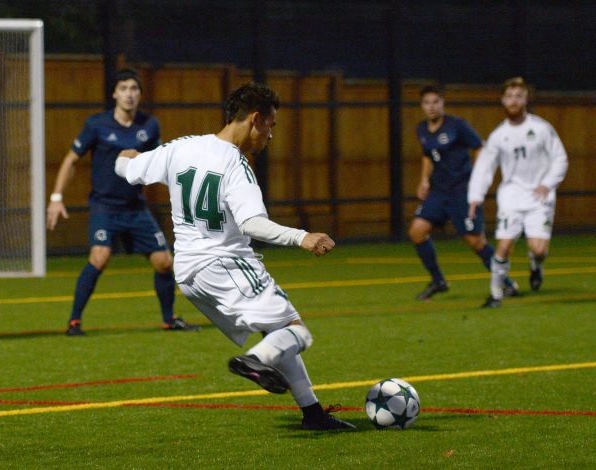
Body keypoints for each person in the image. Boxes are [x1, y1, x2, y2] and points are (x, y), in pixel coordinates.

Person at [115, 82, 355, 430]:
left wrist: (122, 158)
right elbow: (253, 223)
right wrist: (302, 236)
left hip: (188, 274)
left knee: (277, 331)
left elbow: (128, 169)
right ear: (256, 119)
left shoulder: (181, 148)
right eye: (271, 125)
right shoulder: (236, 165)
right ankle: (256, 362)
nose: (270, 136)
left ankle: (313, 413)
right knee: (297, 333)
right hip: (225, 263)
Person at [46, 68, 196, 336]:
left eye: (134, 89)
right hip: (105, 207)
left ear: (139, 94)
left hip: (136, 208)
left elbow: (159, 162)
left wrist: (144, 158)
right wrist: (56, 198)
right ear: (114, 93)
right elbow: (71, 160)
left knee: (164, 262)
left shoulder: (149, 125)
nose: (129, 94)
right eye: (124, 88)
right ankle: (74, 322)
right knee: (100, 256)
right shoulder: (96, 125)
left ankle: (169, 318)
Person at [468, 77, 568, 308]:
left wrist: (548, 183)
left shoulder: (541, 128)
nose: (514, 101)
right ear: (503, 100)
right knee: (503, 246)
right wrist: (475, 197)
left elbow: (560, 158)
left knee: (539, 248)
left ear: (525, 99)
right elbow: (484, 168)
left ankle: (536, 265)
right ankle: (495, 294)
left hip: (539, 197)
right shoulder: (498, 136)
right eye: (510, 96)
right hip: (511, 196)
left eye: (518, 96)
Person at [409, 85, 517, 300]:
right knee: (417, 231)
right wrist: (423, 180)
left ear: (442, 103)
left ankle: (506, 283)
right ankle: (438, 281)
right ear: (422, 106)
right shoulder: (422, 129)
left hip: (462, 191)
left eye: (435, 102)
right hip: (439, 192)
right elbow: (428, 156)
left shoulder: (457, 126)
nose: (431, 107)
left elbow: (480, 147)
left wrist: (478, 178)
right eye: (427, 103)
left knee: (476, 241)